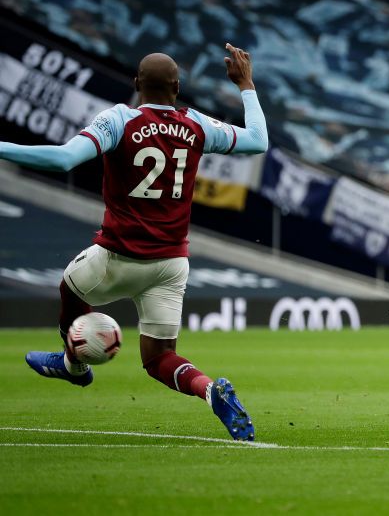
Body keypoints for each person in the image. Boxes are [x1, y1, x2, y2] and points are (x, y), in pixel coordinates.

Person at [1, 45, 269, 440]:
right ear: (177, 88)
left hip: (118, 256)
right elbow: (258, 141)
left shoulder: (119, 120)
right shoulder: (196, 125)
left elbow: (62, 159)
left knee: (71, 286)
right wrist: (246, 85)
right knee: (160, 357)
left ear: (136, 85)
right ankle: (210, 391)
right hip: (172, 263)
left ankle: (74, 366)